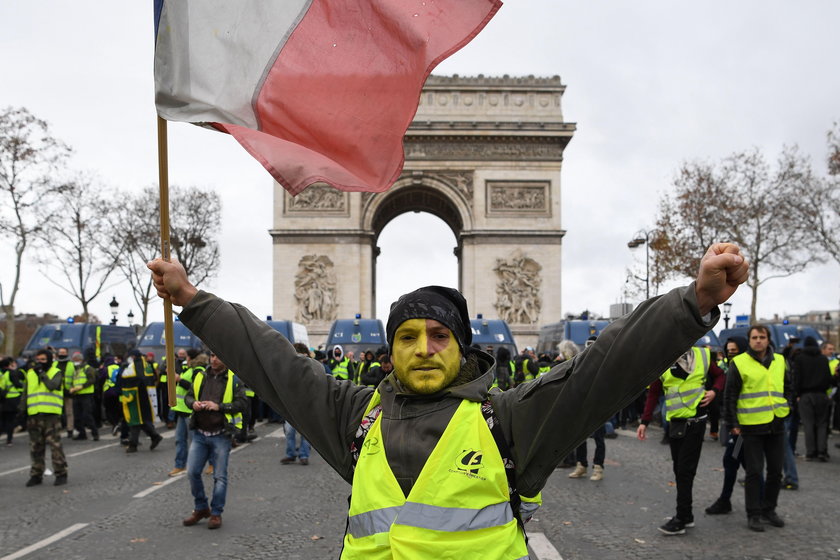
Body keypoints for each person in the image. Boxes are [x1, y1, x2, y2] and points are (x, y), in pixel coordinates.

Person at [149, 242, 748, 555]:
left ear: (464, 350)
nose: (425, 348)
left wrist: (691, 304)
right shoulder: (355, 417)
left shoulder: (510, 418)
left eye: (440, 335)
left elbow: (604, 371)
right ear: (389, 355)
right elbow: (273, 362)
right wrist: (195, 301)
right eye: (407, 337)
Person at [637, 345, 724, 534]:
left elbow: (721, 375)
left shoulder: (703, 354)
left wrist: (714, 391)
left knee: (684, 470)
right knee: (680, 470)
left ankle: (681, 518)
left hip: (696, 422)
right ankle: (687, 514)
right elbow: (653, 393)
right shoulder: (662, 361)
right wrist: (644, 421)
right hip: (675, 424)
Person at [723, 324, 792, 532]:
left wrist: (788, 407)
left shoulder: (780, 361)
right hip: (750, 426)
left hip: (777, 423)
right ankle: (753, 513)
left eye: (762, 337)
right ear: (750, 340)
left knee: (775, 473)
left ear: (768, 339)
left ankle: (768, 510)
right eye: (754, 337)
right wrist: (733, 424)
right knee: (754, 473)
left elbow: (788, 387)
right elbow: (730, 395)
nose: (758, 340)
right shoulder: (740, 363)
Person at [182, 351, 247, 530]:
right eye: (212, 355)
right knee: (192, 472)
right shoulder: (200, 375)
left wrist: (219, 406)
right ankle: (201, 507)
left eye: (218, 355)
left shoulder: (233, 379)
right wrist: (192, 403)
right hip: (200, 433)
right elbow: (188, 396)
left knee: (220, 476)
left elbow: (242, 403)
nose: (214, 359)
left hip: (221, 434)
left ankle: (216, 513)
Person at [20, 349, 68, 487]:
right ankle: (36, 474)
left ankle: (61, 473)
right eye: (38, 360)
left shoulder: (56, 372)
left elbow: (52, 386)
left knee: (55, 446)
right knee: (36, 447)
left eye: (43, 360)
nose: (39, 363)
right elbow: (25, 393)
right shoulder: (30, 373)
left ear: (49, 360)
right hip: (34, 414)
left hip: (51, 415)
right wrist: (22, 410)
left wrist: (42, 374)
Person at [791, 336, 832, 461]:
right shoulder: (823, 359)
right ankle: (821, 451)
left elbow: (797, 379)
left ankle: (810, 451)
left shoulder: (800, 359)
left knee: (808, 424)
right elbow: (828, 378)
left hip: (805, 395)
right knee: (822, 424)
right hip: (822, 394)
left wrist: (797, 394)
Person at [169, 351, 208, 476]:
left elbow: (195, 388)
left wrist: (180, 379)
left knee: (195, 441)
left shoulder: (198, 371)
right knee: (180, 440)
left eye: (186, 357)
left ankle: (201, 465)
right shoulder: (190, 370)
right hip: (182, 411)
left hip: (190, 411)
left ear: (190, 358)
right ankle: (180, 466)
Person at [120, 351, 164, 453]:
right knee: (142, 420)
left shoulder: (134, 365)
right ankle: (155, 436)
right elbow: (153, 378)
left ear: (133, 356)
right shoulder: (147, 365)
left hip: (135, 396)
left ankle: (133, 444)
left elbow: (135, 379)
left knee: (135, 420)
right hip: (146, 396)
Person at [282, 343, 315, 465]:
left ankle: (304, 455)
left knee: (306, 434)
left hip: (307, 404)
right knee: (289, 431)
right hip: (291, 405)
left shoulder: (312, 367)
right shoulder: (288, 368)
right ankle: (290, 454)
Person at [69, 351, 99, 441]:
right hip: (76, 395)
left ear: (81, 360)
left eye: (76, 360)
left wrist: (81, 387)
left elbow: (92, 380)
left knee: (87, 415)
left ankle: (95, 433)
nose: (75, 361)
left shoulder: (87, 368)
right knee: (77, 416)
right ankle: (82, 433)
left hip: (86, 395)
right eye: (74, 360)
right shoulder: (74, 370)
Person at [0, 357, 24, 446]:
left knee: (4, 419)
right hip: (13, 399)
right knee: (11, 420)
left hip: (4, 399)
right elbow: (17, 384)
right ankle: (9, 440)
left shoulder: (3, 374)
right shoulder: (11, 373)